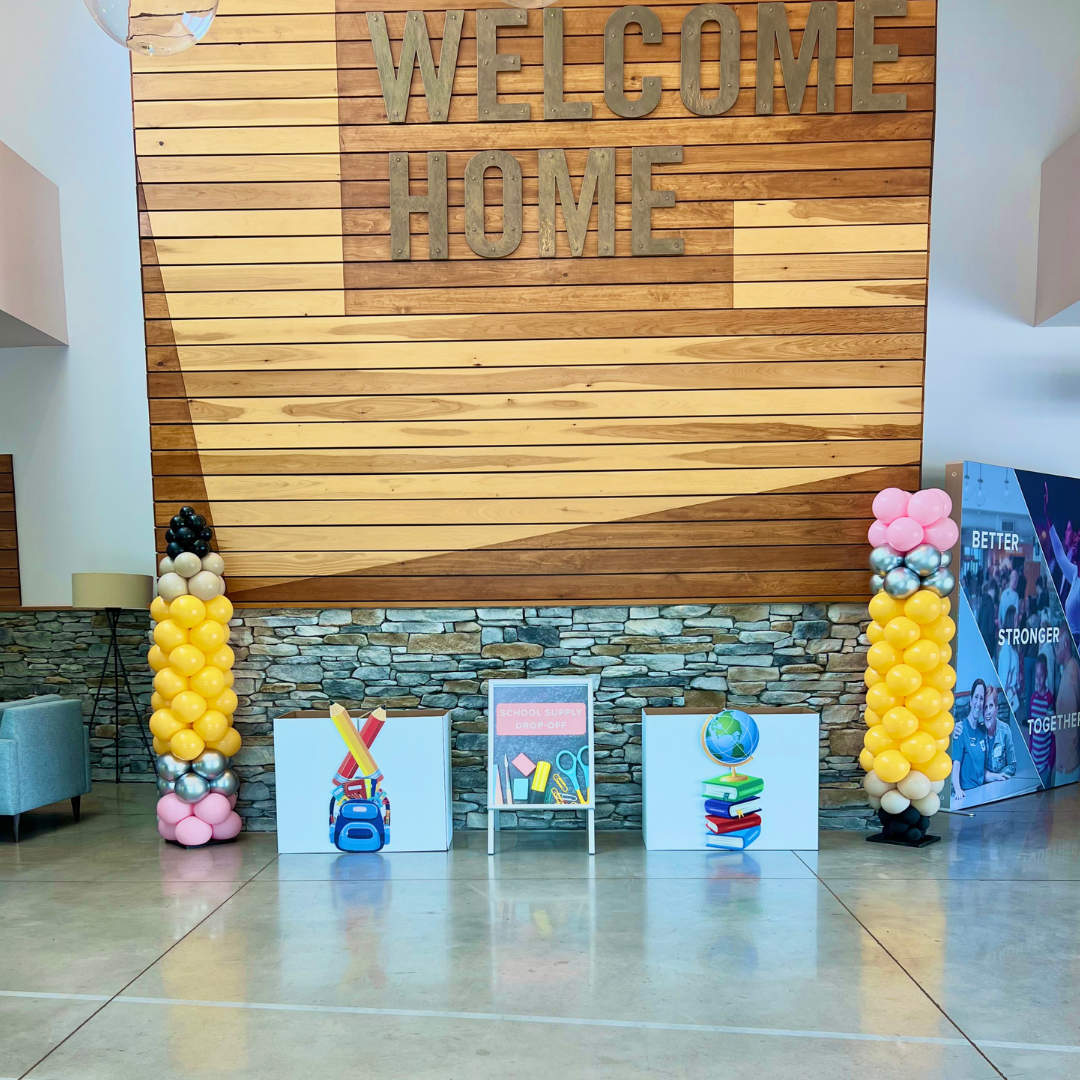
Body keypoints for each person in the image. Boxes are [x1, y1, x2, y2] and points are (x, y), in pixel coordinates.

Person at [1044, 483, 1080, 636]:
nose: (1074, 543)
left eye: (1077, 538)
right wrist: (1048, 516)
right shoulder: (1075, 574)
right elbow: (1059, 553)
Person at [951, 679, 989, 803]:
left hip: (982, 793)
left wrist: (999, 777)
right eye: (976, 697)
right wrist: (957, 789)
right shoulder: (961, 729)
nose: (978, 702)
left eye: (982, 699)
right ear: (971, 700)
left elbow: (981, 770)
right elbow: (955, 767)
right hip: (967, 794)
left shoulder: (983, 731)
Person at [1054, 631, 1080, 786]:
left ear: (1066, 645)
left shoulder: (1069, 680)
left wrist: (1054, 727)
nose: (1055, 650)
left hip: (1067, 766)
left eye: (1057, 646)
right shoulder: (1072, 668)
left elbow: (1071, 732)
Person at [1027, 653, 1056, 788]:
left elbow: (1053, 735)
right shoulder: (1032, 698)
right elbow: (1031, 732)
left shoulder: (1050, 699)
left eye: (1041, 676)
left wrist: (1050, 765)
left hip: (1045, 765)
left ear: (1046, 675)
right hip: (1034, 762)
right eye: (1036, 676)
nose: (1038, 680)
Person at [983, 688, 1016, 782]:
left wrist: (997, 776)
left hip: (1001, 784)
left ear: (996, 709)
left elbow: (1012, 765)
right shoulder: (978, 733)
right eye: (985, 707)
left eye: (991, 706)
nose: (988, 711)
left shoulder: (1005, 730)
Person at [997, 606, 1021, 714]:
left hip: (1012, 693)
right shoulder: (1006, 646)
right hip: (1008, 697)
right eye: (1015, 620)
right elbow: (1004, 676)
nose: (1017, 623)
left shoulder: (1011, 644)